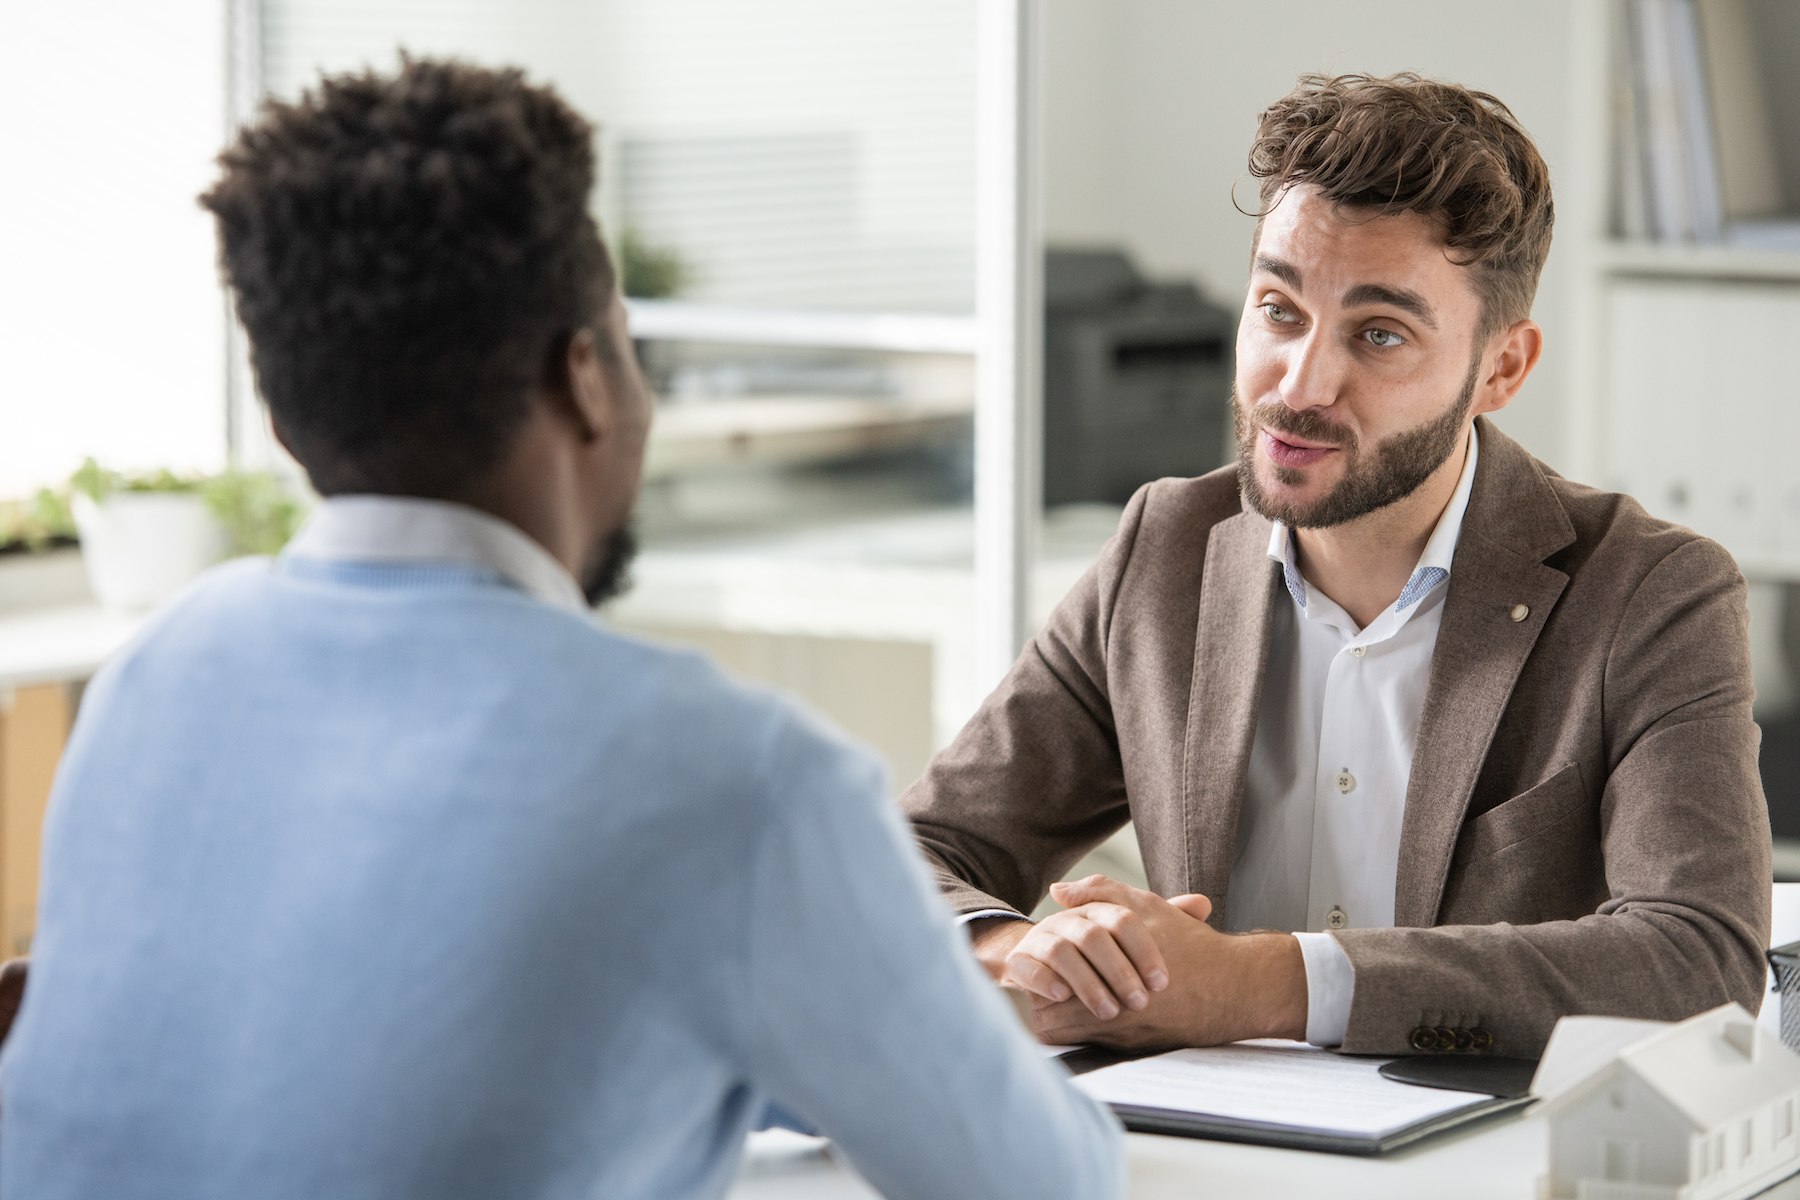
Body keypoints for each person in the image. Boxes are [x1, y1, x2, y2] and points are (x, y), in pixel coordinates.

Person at [0, 59, 1124, 1200]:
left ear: (285, 418)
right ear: (586, 377)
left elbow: (384, 1046)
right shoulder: (731, 774)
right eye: (629, 343)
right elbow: (1037, 1181)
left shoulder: (152, 682)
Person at [904, 72, 1771, 1058]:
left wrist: (1260, 984)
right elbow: (914, 850)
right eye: (1279, 310)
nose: (1302, 384)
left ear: (1502, 368)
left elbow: (1698, 957)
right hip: (1196, 1145)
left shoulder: (1652, 592)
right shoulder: (1166, 548)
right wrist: (1034, 951)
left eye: (1380, 334)